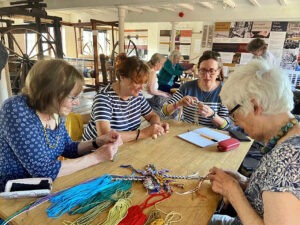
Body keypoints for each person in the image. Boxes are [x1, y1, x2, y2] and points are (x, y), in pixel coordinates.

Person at [0, 59, 122, 192]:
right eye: (73, 97)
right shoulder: (16, 109)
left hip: (48, 187)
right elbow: (43, 171)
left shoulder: (54, 111)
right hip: (13, 194)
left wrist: (97, 142)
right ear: (51, 93)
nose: (77, 103)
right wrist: (97, 157)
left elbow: (68, 148)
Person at [209, 59, 300, 225]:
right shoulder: (292, 132)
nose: (235, 122)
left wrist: (232, 191)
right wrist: (244, 182)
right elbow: (273, 190)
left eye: (234, 114)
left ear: (255, 106)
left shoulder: (289, 159)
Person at [83, 56, 169, 143]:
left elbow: (152, 116)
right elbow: (106, 136)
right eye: (137, 82)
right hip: (95, 152)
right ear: (122, 77)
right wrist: (144, 133)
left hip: (123, 147)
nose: (141, 88)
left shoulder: (137, 96)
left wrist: (156, 125)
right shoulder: (104, 98)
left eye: (143, 83)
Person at [162, 51, 230, 130]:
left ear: (218, 71)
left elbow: (225, 125)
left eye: (211, 71)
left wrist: (212, 115)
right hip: (186, 132)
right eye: (203, 70)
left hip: (210, 135)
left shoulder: (225, 91)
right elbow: (164, 111)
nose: (207, 76)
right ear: (198, 70)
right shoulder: (187, 87)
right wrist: (179, 103)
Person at [142, 53, 171, 117]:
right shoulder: (152, 72)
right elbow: (151, 90)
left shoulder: (147, 68)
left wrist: (162, 92)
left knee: (167, 96)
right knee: (169, 101)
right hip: (148, 99)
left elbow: (152, 89)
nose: (163, 66)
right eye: (162, 64)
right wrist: (163, 94)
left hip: (147, 97)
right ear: (158, 63)